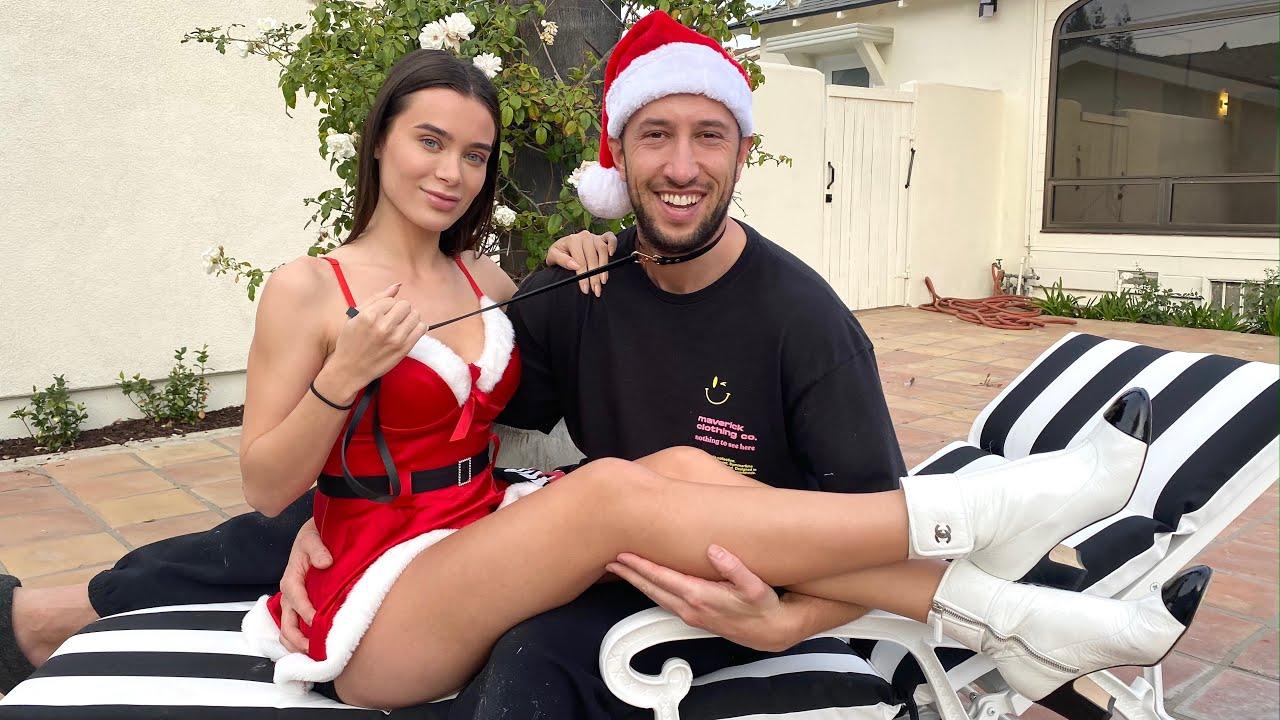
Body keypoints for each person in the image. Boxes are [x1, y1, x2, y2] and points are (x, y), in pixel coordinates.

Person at [0, 12, 1209, 719]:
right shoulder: (546, 285)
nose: (452, 173)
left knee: (659, 471)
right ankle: (988, 519)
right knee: (614, 488)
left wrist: (785, 622)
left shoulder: (777, 319)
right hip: (383, 594)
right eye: (429, 143)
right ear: (617, 164)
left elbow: (474, 433)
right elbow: (306, 470)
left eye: (473, 154)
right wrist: (326, 449)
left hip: (543, 553)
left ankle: (1015, 609)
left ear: (739, 154)